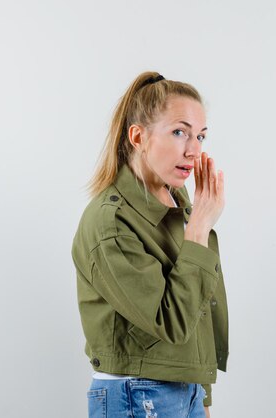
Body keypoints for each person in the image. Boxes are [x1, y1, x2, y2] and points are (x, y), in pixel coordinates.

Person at [71, 71, 229, 418]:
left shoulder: (176, 198)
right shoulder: (110, 222)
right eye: (179, 132)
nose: (194, 150)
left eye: (200, 136)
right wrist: (200, 224)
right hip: (137, 392)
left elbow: (198, 309)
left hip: (182, 388)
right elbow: (169, 321)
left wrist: (200, 398)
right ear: (139, 136)